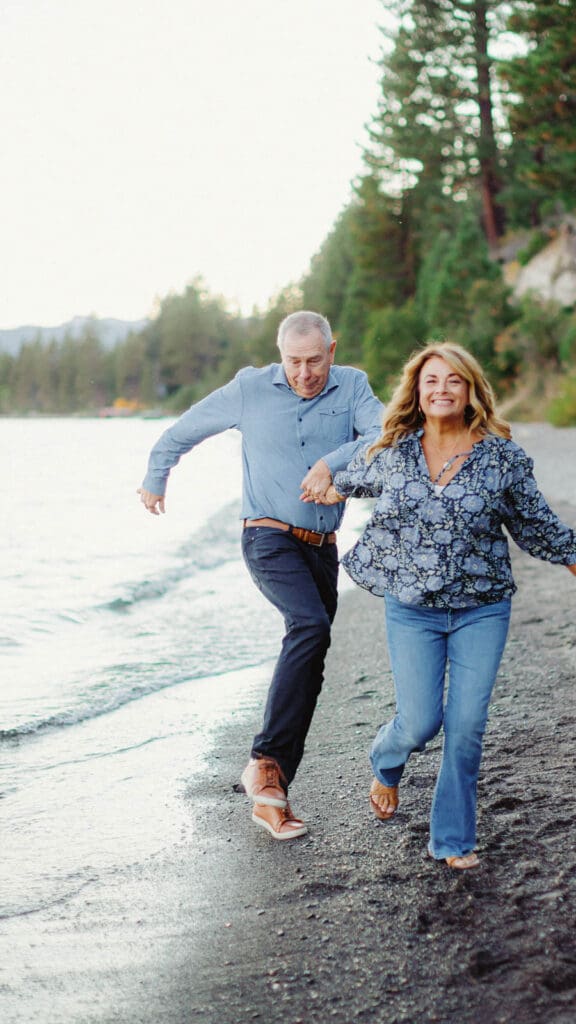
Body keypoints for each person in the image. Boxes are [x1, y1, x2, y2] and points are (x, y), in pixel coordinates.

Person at [321, 342, 576, 870]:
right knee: (418, 723)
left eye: (453, 381)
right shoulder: (393, 452)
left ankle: (453, 839)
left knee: (466, 727)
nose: (441, 389)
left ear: (470, 390)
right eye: (431, 380)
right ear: (417, 390)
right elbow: (336, 483)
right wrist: (301, 493)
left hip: (482, 608)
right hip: (412, 609)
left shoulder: (501, 458)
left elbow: (537, 524)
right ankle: (386, 764)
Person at [137, 310, 382, 841]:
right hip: (267, 536)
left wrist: (331, 462)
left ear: (332, 351)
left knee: (312, 657)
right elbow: (184, 431)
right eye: (293, 362)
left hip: (322, 547)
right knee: (309, 627)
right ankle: (265, 764)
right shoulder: (250, 388)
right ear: (280, 356)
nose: (304, 373)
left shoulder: (354, 386)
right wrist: (157, 476)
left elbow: (387, 434)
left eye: (314, 360)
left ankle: (273, 787)